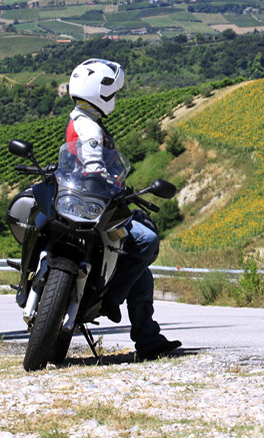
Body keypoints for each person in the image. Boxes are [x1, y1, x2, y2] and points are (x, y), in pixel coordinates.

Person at [66, 58, 181, 360]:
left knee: (139, 269)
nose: (114, 98)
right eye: (112, 92)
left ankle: (148, 338)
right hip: (92, 205)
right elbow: (92, 166)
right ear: (100, 92)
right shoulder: (90, 128)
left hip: (87, 201)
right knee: (146, 242)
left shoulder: (79, 119)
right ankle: (109, 299)